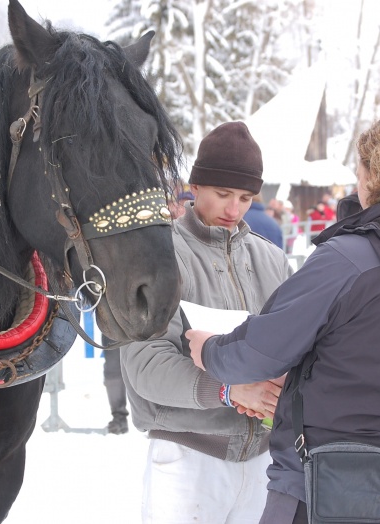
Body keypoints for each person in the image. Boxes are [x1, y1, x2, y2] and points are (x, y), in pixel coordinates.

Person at [186, 113, 380, 523]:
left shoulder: (348, 260)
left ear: (377, 176)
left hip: (323, 486)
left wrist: (208, 349)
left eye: (360, 173)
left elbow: (258, 352)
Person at [120, 121, 292, 523]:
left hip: (265, 461)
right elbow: (144, 364)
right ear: (194, 187)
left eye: (247, 197)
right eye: (223, 194)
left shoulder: (272, 259)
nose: (234, 209)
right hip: (188, 456)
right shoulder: (158, 254)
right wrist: (228, 390)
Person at [102, 334, 129, 434]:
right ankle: (119, 418)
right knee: (112, 370)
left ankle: (155, 419)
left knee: (146, 367)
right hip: (111, 325)